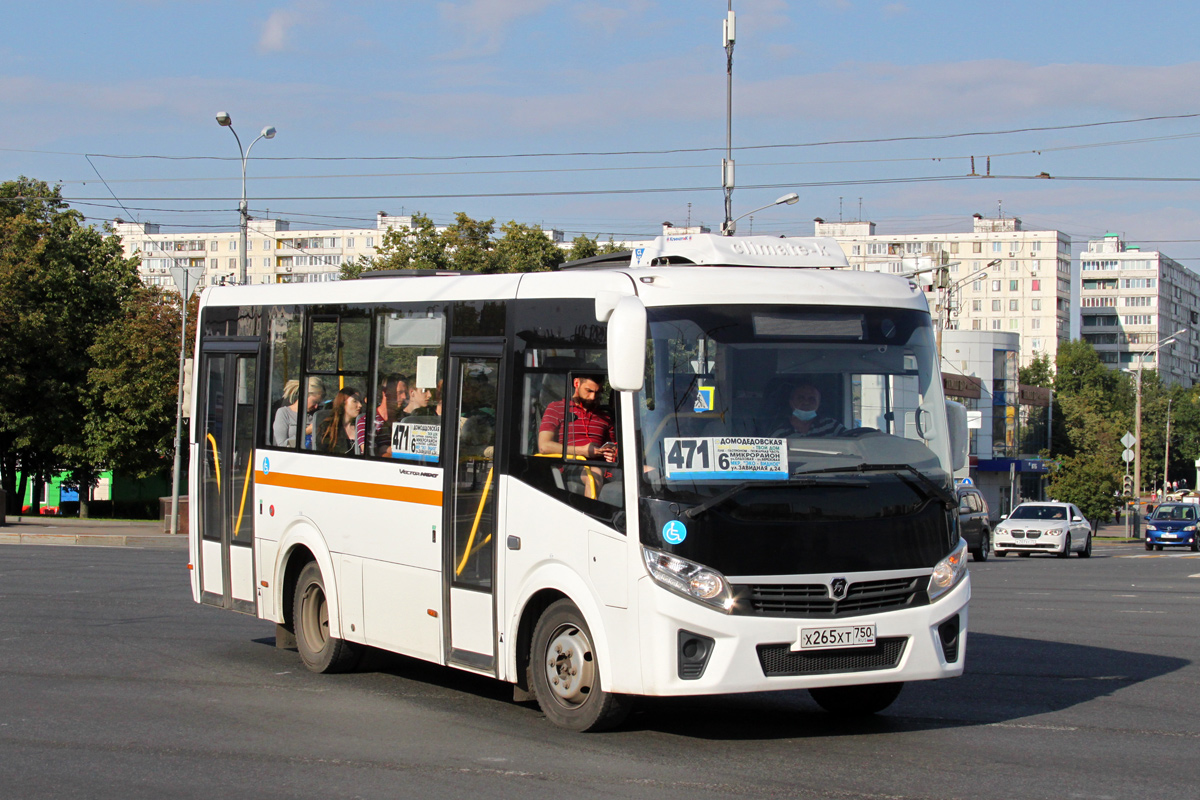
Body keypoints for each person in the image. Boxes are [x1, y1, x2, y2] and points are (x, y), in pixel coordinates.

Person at [538, 373, 617, 462]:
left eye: (598, 392)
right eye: (589, 391)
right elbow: (544, 446)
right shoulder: (556, 409)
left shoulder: (605, 417)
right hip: (569, 467)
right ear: (576, 383)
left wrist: (612, 453)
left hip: (602, 467)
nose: (592, 397)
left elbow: (613, 446)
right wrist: (583, 451)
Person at [769, 382, 845, 437]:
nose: (806, 402)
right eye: (801, 398)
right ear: (791, 402)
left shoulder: (832, 426)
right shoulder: (779, 434)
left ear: (818, 404)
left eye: (812, 399)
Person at [357, 373, 406, 456]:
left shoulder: (405, 420)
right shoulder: (367, 421)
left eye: (405, 392)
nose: (404, 397)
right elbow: (370, 453)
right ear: (385, 393)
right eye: (400, 392)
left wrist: (384, 449)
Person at [318, 388, 364, 455]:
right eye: (355, 401)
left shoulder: (362, 426)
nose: (360, 405)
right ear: (343, 403)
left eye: (360, 401)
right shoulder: (328, 428)